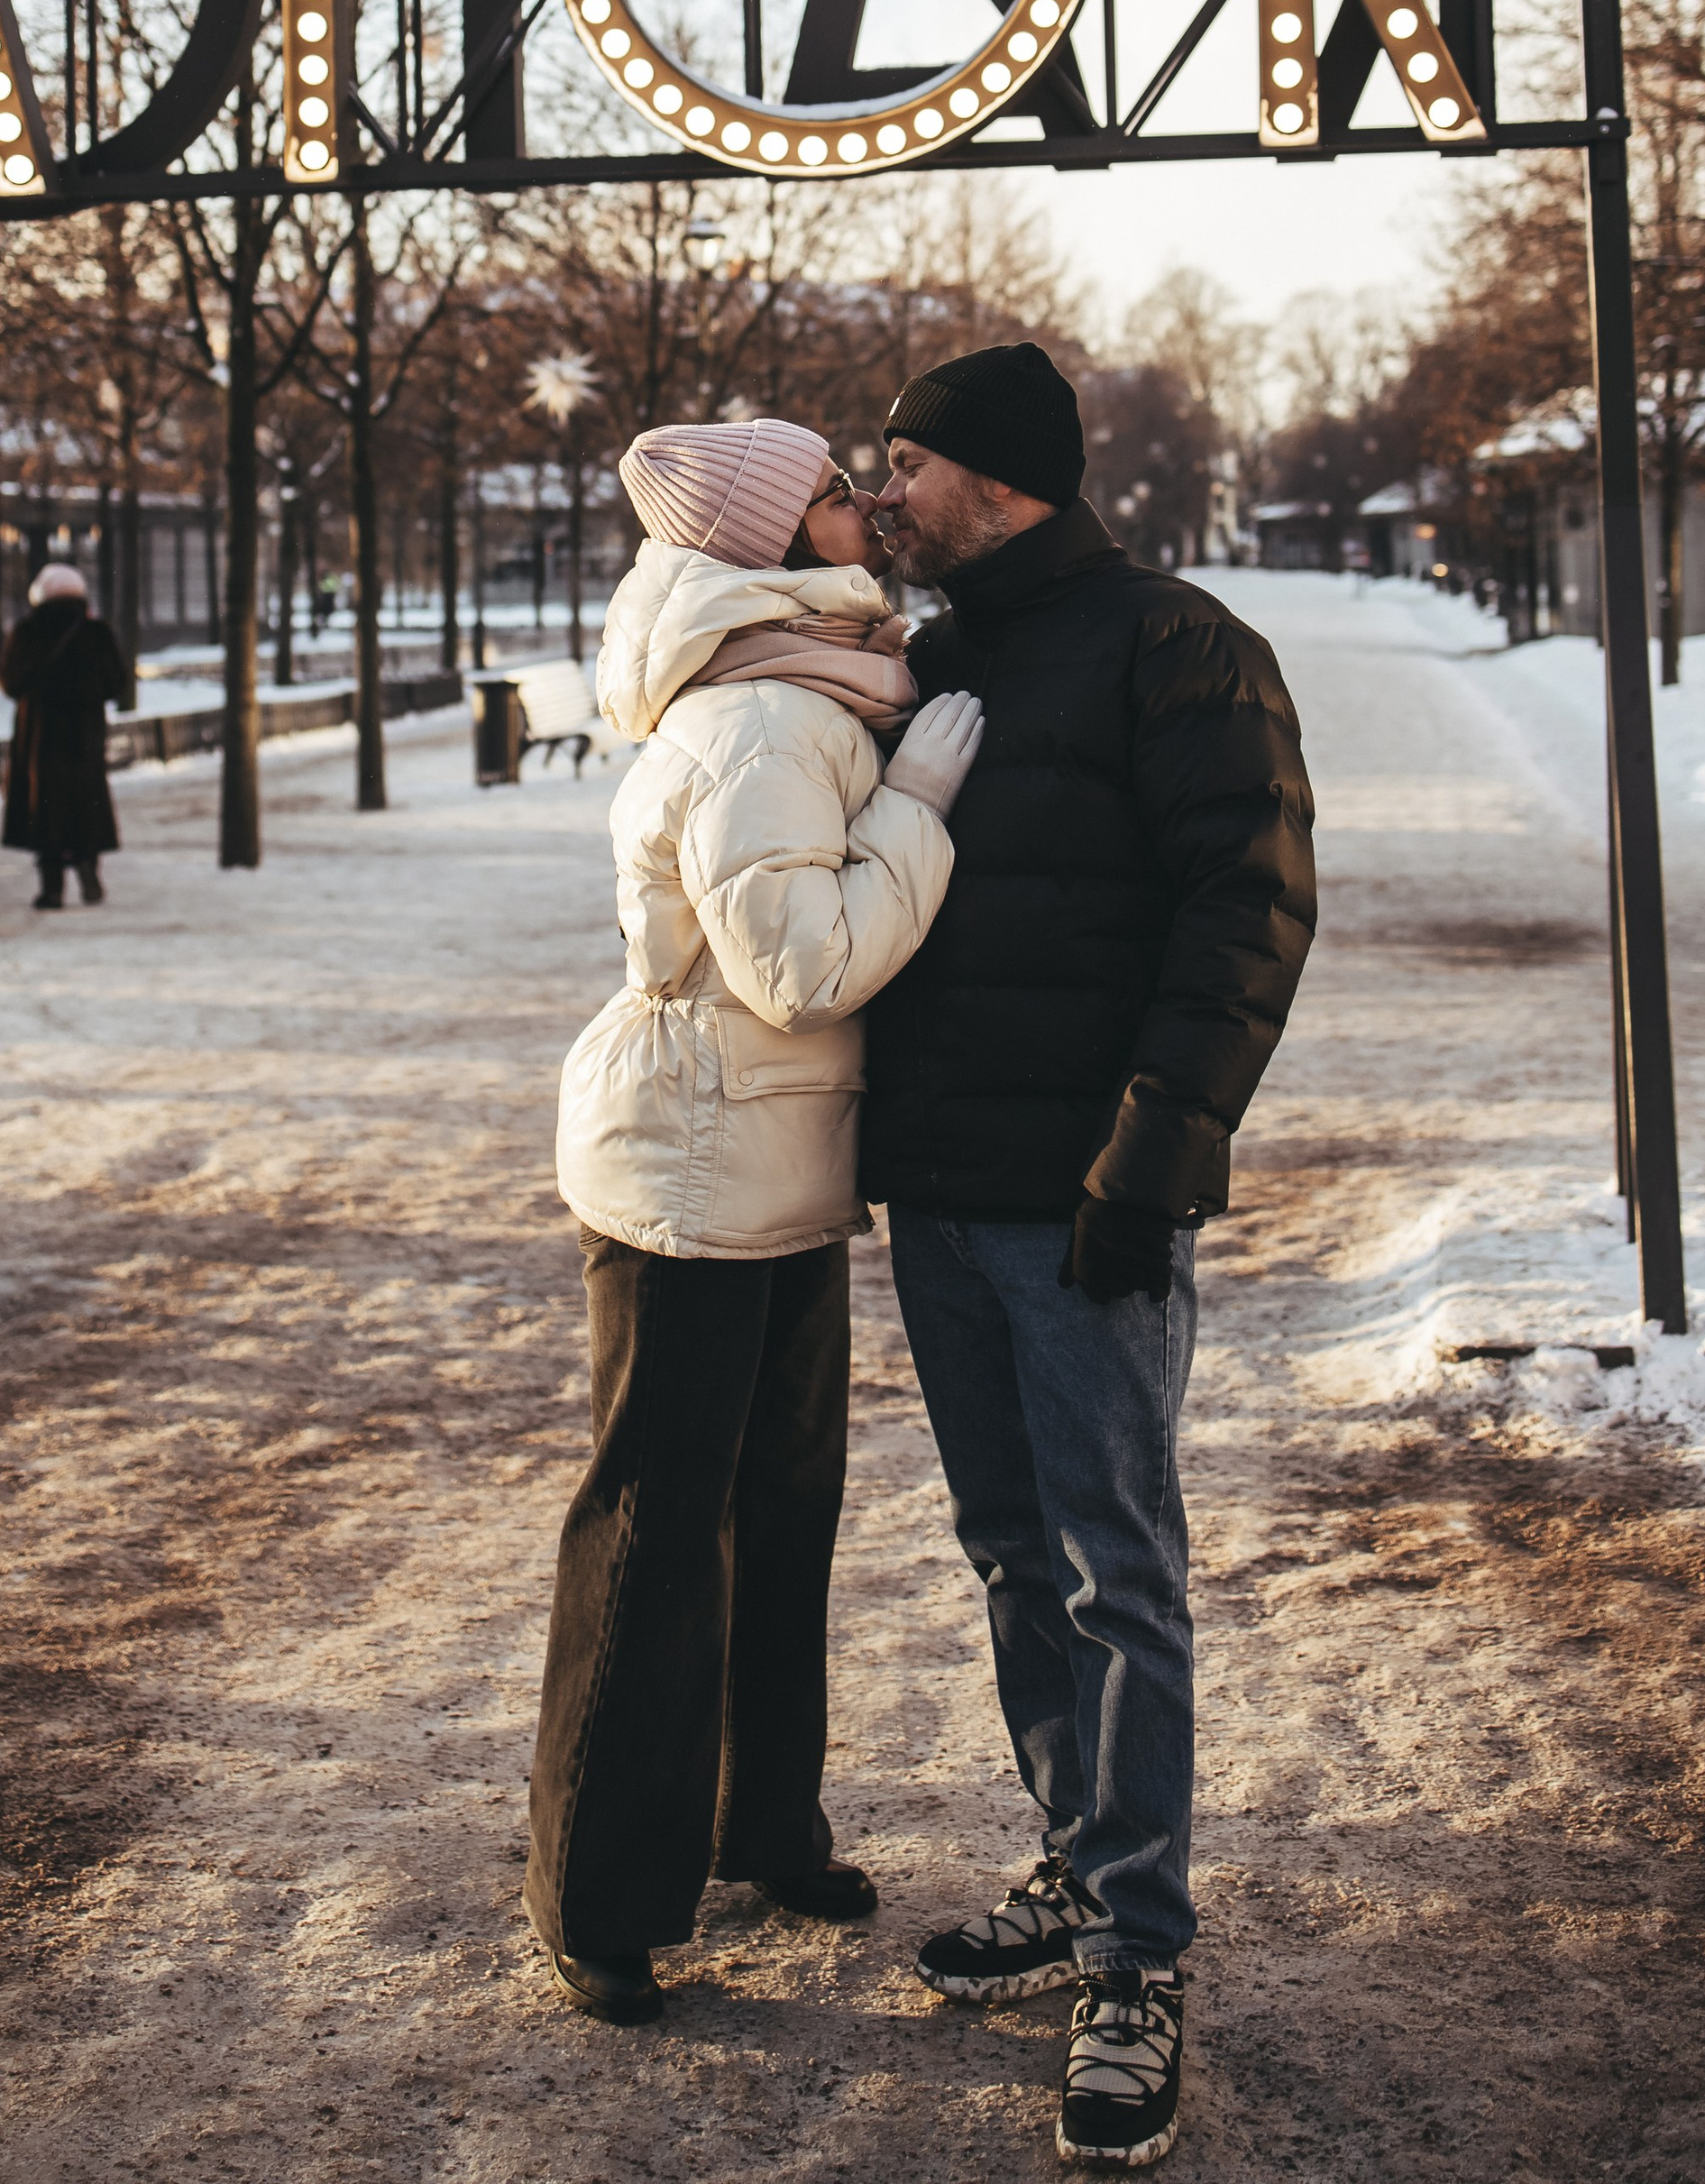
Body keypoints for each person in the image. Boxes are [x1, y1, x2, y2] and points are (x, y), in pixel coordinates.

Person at [860, 342, 1315, 2172]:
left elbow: (1246, 909)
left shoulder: (1177, 646)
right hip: (939, 1194)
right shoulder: (935, 658)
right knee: (1006, 1555)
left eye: (906, 463)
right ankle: (1072, 1861)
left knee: (1113, 1571)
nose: (882, 491)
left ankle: (1135, 1953)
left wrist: (1153, 1157)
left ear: (1000, 476)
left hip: (1083, 1204)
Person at [527, 417, 985, 2030]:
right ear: (770, 544)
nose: (866, 505)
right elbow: (803, 966)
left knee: (784, 1511)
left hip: (773, 1157)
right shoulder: (764, 720)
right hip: (696, 1167)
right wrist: (916, 811)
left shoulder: (812, 681)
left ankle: (764, 1825)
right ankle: (596, 1896)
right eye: (832, 493)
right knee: (657, 1530)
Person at [0, 563, 131, 910]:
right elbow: (117, 682)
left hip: (40, 739)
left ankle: (52, 887)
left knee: (44, 809)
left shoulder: (27, 632)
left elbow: (10, 682)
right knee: (86, 803)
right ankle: (88, 865)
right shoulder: (97, 633)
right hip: (85, 738)